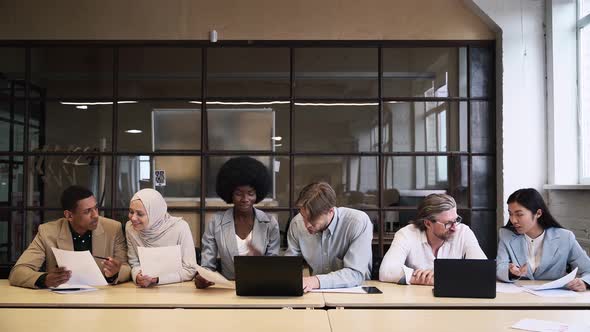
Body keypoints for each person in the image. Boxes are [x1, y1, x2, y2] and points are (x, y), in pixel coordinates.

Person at [9, 185, 130, 288]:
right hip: (62, 302)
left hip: (103, 298)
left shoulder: (113, 228)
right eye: (87, 211)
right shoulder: (47, 232)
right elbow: (17, 273)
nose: (96, 215)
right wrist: (45, 279)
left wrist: (115, 272)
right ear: (69, 215)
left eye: (96, 208)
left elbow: (126, 268)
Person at [195, 156, 280, 288]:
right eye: (239, 193)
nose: (245, 199)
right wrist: (203, 278)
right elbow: (207, 266)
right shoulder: (216, 222)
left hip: (262, 288)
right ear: (230, 193)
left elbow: (274, 267)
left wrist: (262, 261)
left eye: (250, 193)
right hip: (228, 290)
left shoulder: (269, 223)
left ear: (258, 194)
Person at [379, 193, 486, 285]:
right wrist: (423, 279)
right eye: (448, 223)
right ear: (428, 223)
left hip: (452, 301)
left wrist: (441, 277)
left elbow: (483, 271)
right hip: (415, 301)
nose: (454, 227)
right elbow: (386, 271)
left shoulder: (463, 232)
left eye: (456, 220)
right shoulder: (406, 234)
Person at [285, 182, 373, 292]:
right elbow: (289, 270)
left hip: (355, 294)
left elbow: (355, 274)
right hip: (316, 295)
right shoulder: (297, 224)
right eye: (304, 216)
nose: (306, 224)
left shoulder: (358, 222)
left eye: (313, 219)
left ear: (330, 211)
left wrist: (314, 281)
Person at [496, 188, 590, 291]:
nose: (513, 220)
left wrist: (584, 282)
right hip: (519, 296)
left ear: (538, 213)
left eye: (519, 214)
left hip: (554, 298)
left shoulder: (565, 238)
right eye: (510, 214)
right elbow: (500, 268)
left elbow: (588, 269)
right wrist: (511, 273)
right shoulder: (506, 235)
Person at [126, 188, 198, 287]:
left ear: (155, 213)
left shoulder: (180, 228)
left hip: (178, 289)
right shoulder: (130, 228)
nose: (133, 218)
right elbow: (134, 263)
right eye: (131, 212)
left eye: (140, 214)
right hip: (144, 290)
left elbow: (190, 270)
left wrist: (157, 280)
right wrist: (138, 276)